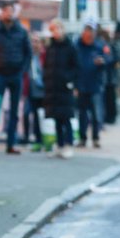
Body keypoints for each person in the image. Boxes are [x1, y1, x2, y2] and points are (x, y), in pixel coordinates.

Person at [0, 1, 32, 154]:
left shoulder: (21, 31)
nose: (8, 14)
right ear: (2, 13)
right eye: (6, 11)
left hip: (16, 74)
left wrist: (23, 71)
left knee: (14, 111)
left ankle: (11, 143)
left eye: (11, 11)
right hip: (0, 74)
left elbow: (28, 53)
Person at [43, 19, 79, 159]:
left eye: (58, 29)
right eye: (53, 29)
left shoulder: (70, 47)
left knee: (66, 117)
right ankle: (60, 144)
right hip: (53, 87)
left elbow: (76, 66)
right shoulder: (51, 47)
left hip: (64, 87)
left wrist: (70, 81)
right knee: (56, 118)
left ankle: (68, 144)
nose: (56, 32)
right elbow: (47, 66)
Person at [74, 19, 112, 148]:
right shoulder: (77, 45)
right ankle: (82, 138)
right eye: (87, 30)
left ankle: (96, 137)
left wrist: (103, 61)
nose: (89, 34)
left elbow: (109, 58)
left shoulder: (100, 46)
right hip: (81, 84)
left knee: (96, 113)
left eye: (91, 31)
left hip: (96, 84)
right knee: (82, 114)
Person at [22, 33, 46, 151]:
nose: (34, 44)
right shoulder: (27, 55)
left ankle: (39, 138)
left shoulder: (44, 56)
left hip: (41, 90)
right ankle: (26, 137)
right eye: (32, 41)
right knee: (26, 113)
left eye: (36, 41)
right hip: (29, 89)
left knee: (38, 115)